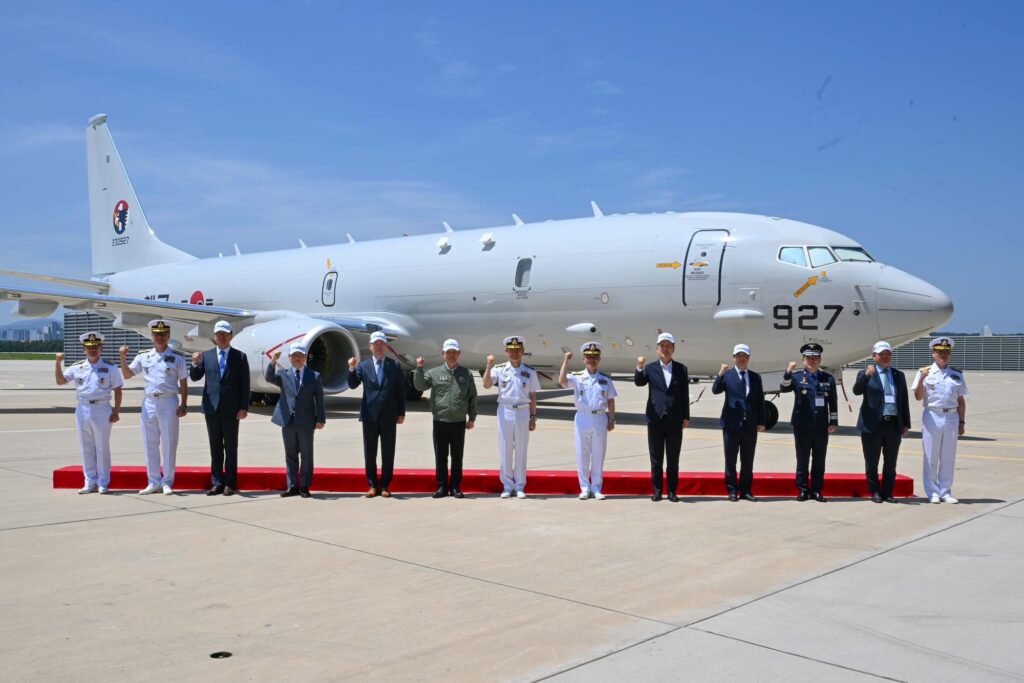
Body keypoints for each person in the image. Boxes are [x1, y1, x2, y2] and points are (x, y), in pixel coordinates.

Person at [119, 320, 187, 495]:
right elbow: (127, 375)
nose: (160, 338)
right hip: (149, 402)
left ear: (168, 336)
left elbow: (183, 382)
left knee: (169, 443)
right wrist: (123, 358)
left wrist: (183, 404)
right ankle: (153, 481)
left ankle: (167, 482)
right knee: (150, 443)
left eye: (163, 334)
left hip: (169, 401)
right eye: (156, 334)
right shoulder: (144, 356)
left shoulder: (177, 358)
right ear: (152, 336)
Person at [56, 332, 123, 494]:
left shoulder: (110, 367)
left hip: (102, 408)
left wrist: (116, 411)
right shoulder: (77, 366)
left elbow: (118, 390)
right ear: (83, 349)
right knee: (86, 446)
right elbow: (60, 381)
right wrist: (57, 363)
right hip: (82, 408)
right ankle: (89, 481)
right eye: (89, 347)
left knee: (102, 447)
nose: (93, 350)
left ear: (101, 348)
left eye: (96, 347)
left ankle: (103, 482)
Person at [190, 320, 250, 496]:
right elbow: (195, 377)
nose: (222, 337)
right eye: (218, 334)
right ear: (214, 337)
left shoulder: (240, 357)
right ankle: (217, 482)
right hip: (211, 408)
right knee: (215, 447)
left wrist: (243, 407)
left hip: (232, 410)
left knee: (231, 447)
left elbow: (244, 385)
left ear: (230, 336)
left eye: (225, 334)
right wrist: (194, 364)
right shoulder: (206, 356)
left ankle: (230, 483)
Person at [413, 339, 478, 499]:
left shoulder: (466, 373)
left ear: (459, 354)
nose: (451, 355)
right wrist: (419, 369)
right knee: (440, 455)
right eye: (448, 352)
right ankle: (442, 486)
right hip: (440, 421)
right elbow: (420, 386)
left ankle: (455, 486)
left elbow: (472, 396)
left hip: (458, 421)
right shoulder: (434, 373)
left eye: (454, 352)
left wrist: (472, 417)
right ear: (443, 354)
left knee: (457, 456)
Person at [347, 330, 406, 498]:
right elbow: (352, 385)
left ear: (386, 347)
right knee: (370, 452)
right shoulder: (363, 366)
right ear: (370, 346)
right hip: (370, 416)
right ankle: (372, 485)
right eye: (376, 344)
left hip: (389, 416)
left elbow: (399, 391)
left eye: (382, 344)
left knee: (388, 452)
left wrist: (401, 412)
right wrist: (351, 369)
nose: (379, 347)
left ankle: (386, 485)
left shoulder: (393, 365)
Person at [853, 341, 911, 503]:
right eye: (882, 354)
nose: (886, 356)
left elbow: (903, 400)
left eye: (888, 353)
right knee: (872, 461)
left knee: (891, 461)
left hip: (893, 424)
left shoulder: (898, 375)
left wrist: (905, 423)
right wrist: (866, 376)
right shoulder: (866, 372)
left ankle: (887, 491)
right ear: (874, 356)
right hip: (872, 424)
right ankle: (875, 491)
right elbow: (856, 391)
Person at [911, 337, 968, 504]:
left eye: (946, 352)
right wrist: (922, 378)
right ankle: (932, 492)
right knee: (931, 454)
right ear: (933, 353)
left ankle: (946, 491)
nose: (943, 355)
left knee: (948, 455)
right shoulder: (925, 372)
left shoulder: (956, 374)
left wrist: (962, 422)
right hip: (932, 415)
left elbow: (961, 401)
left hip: (951, 416)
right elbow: (918, 396)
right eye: (940, 352)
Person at [634, 332, 690, 502]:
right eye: (662, 346)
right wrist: (639, 367)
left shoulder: (681, 369)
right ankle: (657, 491)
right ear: (657, 349)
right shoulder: (650, 368)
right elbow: (639, 382)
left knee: (673, 459)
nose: (665, 349)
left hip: (674, 420)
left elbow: (684, 395)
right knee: (656, 458)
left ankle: (672, 492)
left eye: (669, 346)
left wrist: (686, 416)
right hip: (655, 419)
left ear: (673, 349)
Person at [483, 335, 540, 498]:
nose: (515, 353)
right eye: (512, 350)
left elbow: (533, 395)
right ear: (506, 351)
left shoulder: (529, 371)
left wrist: (533, 417)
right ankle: (507, 486)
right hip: (505, 409)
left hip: (523, 410)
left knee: (521, 449)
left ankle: (520, 485)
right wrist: (488, 365)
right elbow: (487, 385)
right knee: (505, 448)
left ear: (523, 351)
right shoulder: (499, 368)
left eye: (518, 350)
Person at [265, 343, 325, 498]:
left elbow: (319, 398)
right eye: (294, 356)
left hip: (306, 420)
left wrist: (321, 418)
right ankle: (292, 486)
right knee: (290, 455)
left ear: (304, 358)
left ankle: (304, 486)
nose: (297, 358)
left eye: (300, 355)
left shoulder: (314, 376)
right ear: (290, 358)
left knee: (306, 454)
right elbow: (269, 377)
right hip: (288, 420)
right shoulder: (284, 374)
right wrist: (273, 361)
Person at [558, 343, 617, 500]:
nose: (592, 360)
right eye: (589, 357)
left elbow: (610, 400)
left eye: (595, 357)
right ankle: (584, 487)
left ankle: (597, 488)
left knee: (598, 455)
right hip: (582, 417)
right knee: (582, 454)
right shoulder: (577, 377)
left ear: (599, 359)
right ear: (584, 359)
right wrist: (566, 361)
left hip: (599, 417)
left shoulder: (605, 379)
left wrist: (612, 419)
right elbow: (562, 380)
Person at [780, 343, 837, 502]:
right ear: (803, 360)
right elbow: (784, 388)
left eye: (815, 357)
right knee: (802, 459)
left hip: (821, 425)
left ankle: (817, 490)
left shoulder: (828, 378)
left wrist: (833, 421)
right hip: (802, 424)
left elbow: (833, 402)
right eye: (808, 358)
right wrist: (788, 372)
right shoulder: (797, 377)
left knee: (819, 459)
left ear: (820, 359)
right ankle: (803, 489)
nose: (812, 360)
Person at [711, 343, 766, 502]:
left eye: (745, 356)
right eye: (739, 356)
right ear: (734, 357)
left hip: (750, 425)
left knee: (748, 460)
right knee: (730, 460)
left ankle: (746, 491)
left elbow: (759, 401)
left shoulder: (756, 377)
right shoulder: (727, 375)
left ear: (748, 358)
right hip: (731, 424)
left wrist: (761, 421)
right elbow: (715, 390)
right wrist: (720, 374)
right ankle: (732, 490)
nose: (742, 358)